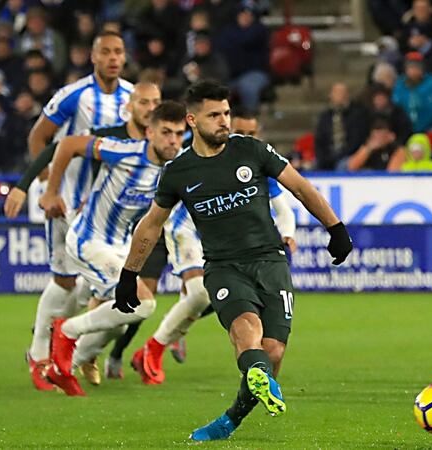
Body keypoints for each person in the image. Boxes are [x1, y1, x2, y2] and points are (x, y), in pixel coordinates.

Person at [106, 80, 351, 441]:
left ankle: (231, 418)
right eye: (215, 115)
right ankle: (241, 395)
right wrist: (130, 274)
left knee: (273, 352)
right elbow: (151, 225)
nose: (224, 121)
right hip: (223, 267)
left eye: (227, 113)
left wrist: (336, 228)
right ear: (192, 120)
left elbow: (301, 186)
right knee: (245, 328)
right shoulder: (179, 171)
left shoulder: (251, 150)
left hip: (270, 261)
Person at [127, 107, 299, 385]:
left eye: (251, 133)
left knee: (212, 298)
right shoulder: (199, 156)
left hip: (230, 242)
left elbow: (285, 209)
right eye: (241, 131)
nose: (245, 137)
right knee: (198, 294)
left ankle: (162, 342)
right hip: (186, 230)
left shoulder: (255, 160)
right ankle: (156, 346)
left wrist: (288, 233)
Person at [38, 101, 187, 396]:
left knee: (118, 321)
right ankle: (66, 333)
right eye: (166, 132)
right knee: (143, 303)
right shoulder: (124, 151)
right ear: (149, 132)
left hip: (120, 248)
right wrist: (52, 191)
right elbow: (67, 144)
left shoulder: (179, 166)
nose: (172, 140)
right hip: (88, 240)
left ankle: (62, 366)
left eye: (179, 134)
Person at [20, 31, 133, 392]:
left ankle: (79, 350)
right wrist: (47, 186)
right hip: (68, 201)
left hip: (109, 208)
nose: (113, 58)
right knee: (65, 280)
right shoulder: (74, 96)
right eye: (106, 52)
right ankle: (39, 355)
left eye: (118, 52)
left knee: (109, 287)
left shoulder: (134, 99)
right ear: (93, 57)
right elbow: (39, 138)